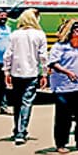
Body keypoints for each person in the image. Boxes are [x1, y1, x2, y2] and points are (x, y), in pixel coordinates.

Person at [47, 19, 78, 154]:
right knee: (64, 117)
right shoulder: (60, 46)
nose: (77, 32)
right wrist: (67, 72)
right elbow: (52, 63)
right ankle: (61, 143)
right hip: (64, 87)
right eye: (74, 29)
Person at [3, 9, 48, 146]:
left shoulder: (14, 35)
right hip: (32, 73)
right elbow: (43, 56)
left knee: (17, 103)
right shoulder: (40, 35)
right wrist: (44, 73)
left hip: (16, 73)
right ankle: (21, 132)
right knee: (26, 103)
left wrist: (6, 72)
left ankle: (17, 129)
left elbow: (8, 55)